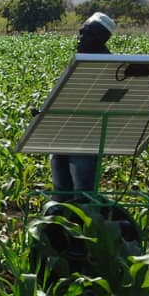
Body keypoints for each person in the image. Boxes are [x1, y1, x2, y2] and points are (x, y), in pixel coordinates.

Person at [50, 12, 117, 201]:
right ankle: (60, 225)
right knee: (61, 190)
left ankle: (84, 226)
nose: (81, 38)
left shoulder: (111, 66)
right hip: (63, 132)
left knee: (83, 194)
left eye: (88, 34)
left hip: (87, 136)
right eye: (81, 32)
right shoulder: (81, 60)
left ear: (101, 39)